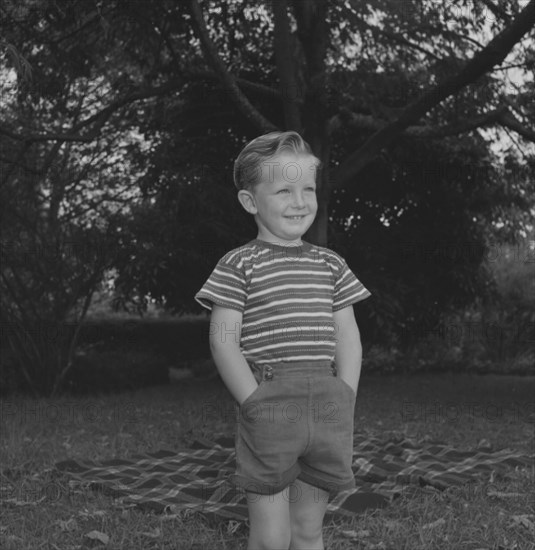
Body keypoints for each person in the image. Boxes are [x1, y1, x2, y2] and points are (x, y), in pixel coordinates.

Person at [195, 131, 371, 550]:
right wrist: (251, 399)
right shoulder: (238, 264)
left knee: (308, 530)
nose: (300, 201)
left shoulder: (331, 264)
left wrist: (346, 393)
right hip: (269, 404)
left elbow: (349, 336)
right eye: (284, 190)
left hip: (329, 405)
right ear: (250, 202)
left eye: (308, 188)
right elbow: (223, 338)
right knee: (272, 536)